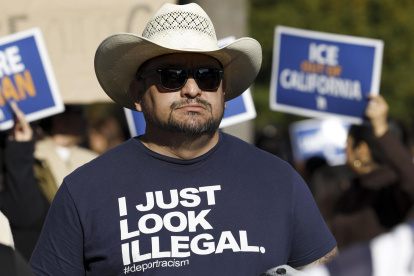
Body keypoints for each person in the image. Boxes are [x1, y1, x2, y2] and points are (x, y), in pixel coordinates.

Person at [30, 3, 337, 275]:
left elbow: (327, 267)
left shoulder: (278, 179)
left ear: (224, 91)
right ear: (138, 94)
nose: (192, 89)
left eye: (207, 75)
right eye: (172, 76)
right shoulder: (84, 190)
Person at [329, 95, 414, 249]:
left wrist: (381, 130)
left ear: (362, 150)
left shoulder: (394, 189)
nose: (344, 150)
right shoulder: (346, 190)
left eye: (347, 144)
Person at [0, 101, 50, 262]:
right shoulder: (15, 163)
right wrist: (21, 149)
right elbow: (25, 214)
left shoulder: (37, 163)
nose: (39, 131)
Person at [34, 105, 98, 191]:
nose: (84, 120)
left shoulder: (92, 159)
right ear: (58, 118)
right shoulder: (34, 153)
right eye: (78, 113)